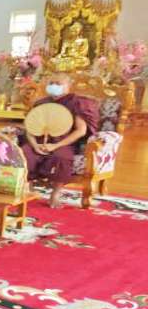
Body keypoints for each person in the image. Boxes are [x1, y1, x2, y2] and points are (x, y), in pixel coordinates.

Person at [21, 73, 99, 208]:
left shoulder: (76, 103)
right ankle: (28, 188)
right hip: (38, 140)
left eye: (58, 84)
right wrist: (34, 145)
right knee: (25, 154)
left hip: (63, 141)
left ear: (68, 86)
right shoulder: (41, 103)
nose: (54, 86)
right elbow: (30, 128)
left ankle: (55, 193)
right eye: (51, 83)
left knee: (61, 157)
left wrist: (56, 145)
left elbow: (81, 130)